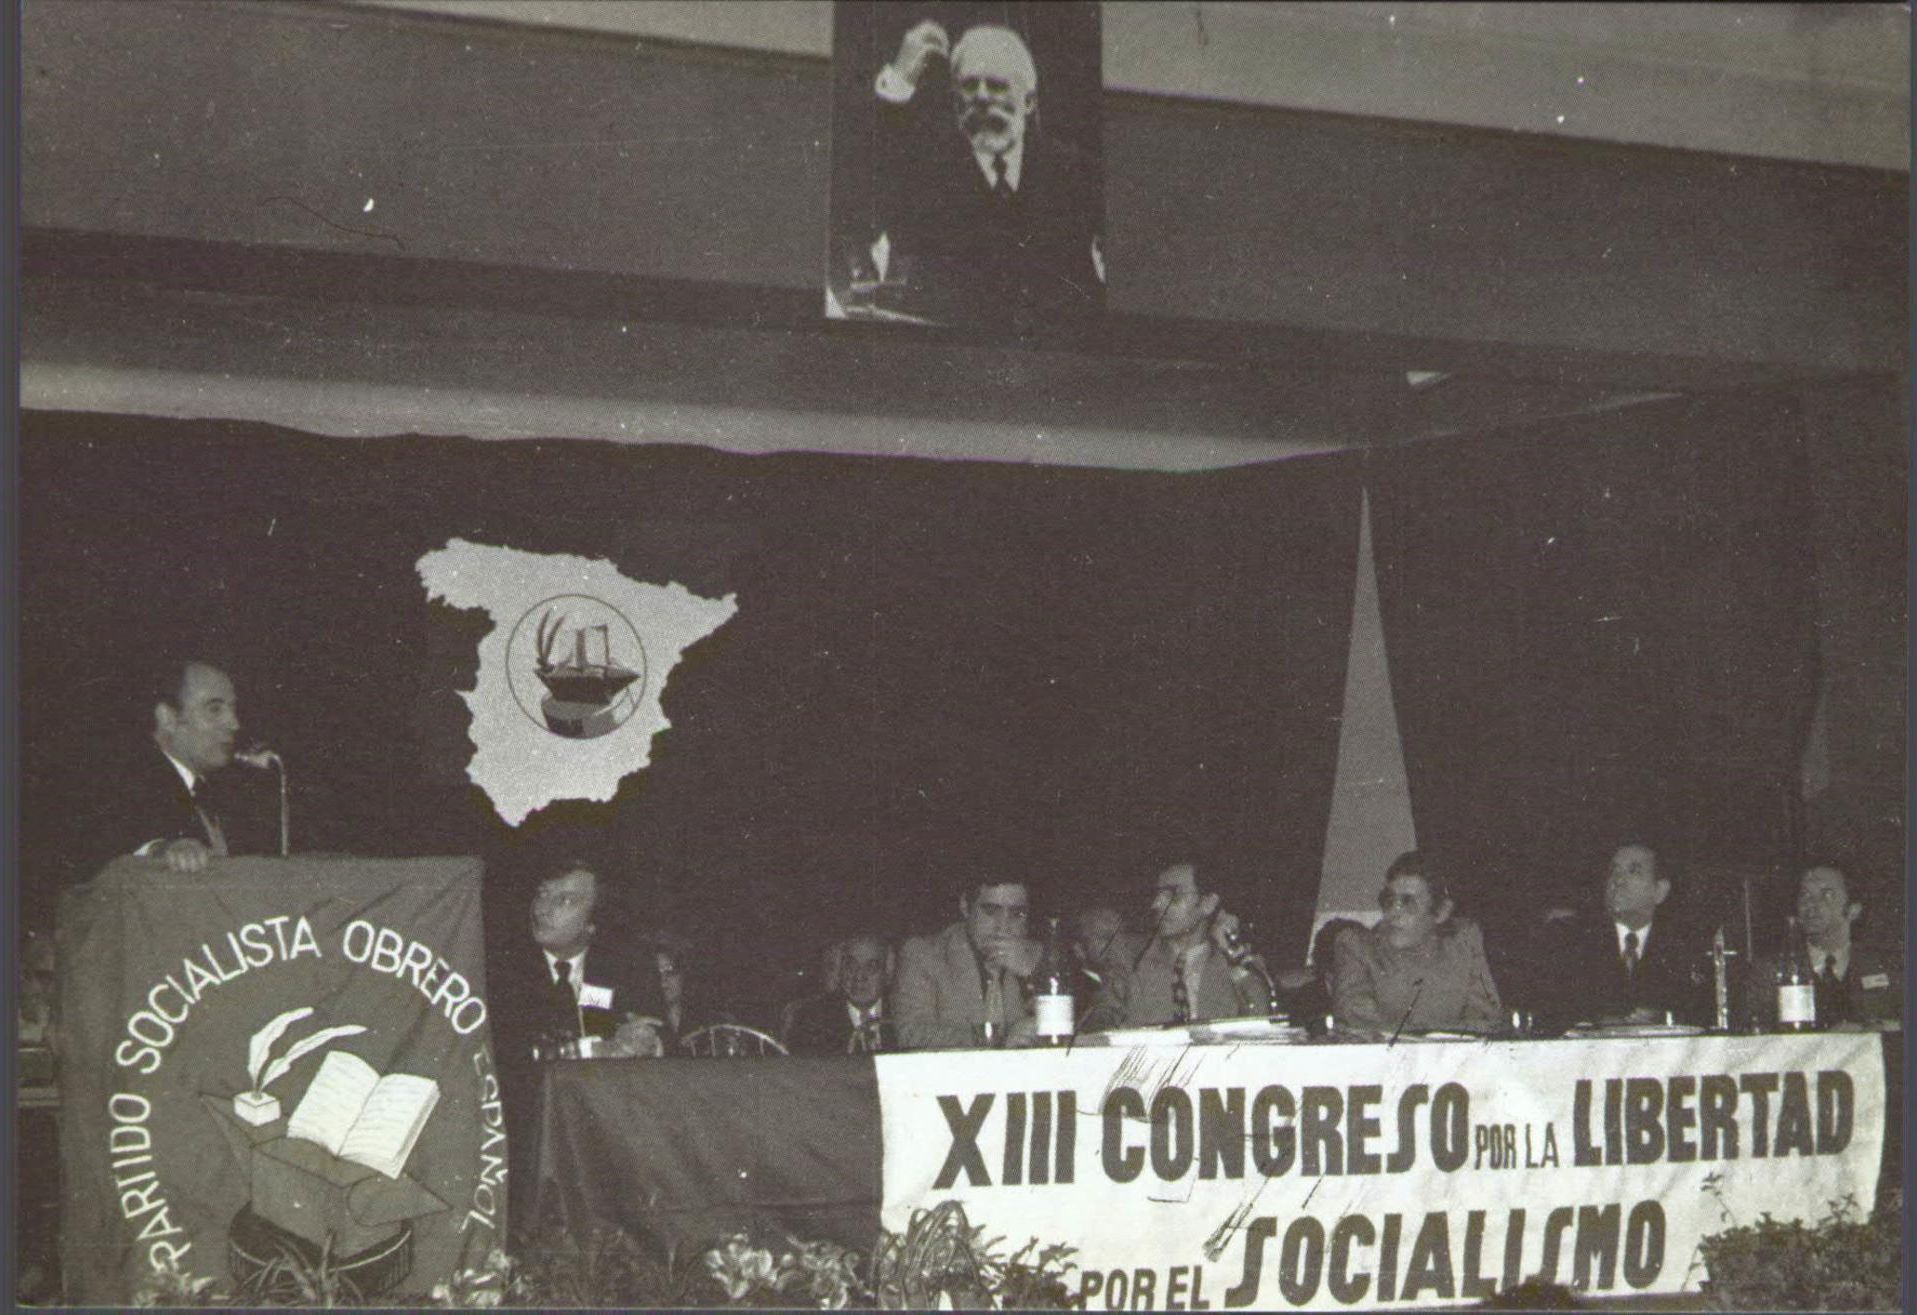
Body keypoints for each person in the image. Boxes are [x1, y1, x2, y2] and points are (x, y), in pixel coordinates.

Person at [863, 19, 1103, 325]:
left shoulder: (1073, 171)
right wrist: (899, 80)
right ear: (955, 100)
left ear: (1029, 101)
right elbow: (868, 170)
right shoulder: (930, 172)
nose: (982, 97)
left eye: (998, 85)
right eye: (969, 85)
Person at [491, 858, 668, 1239]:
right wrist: (599, 1048)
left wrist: (646, 1042)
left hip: (609, 1132)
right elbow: (523, 1052)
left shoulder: (628, 963)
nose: (543, 908)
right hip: (525, 1137)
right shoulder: (502, 965)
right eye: (542, 894)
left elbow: (659, 1037)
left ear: (593, 923)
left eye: (565, 900)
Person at [111, 658, 261, 874]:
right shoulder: (124, 784)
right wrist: (163, 850)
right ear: (168, 718)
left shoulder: (226, 792)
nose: (234, 723)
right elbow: (115, 844)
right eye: (215, 709)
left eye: (233, 708)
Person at [1539, 842, 1712, 1028]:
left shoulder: (1682, 946)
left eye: (1633, 872)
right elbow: (1551, 1009)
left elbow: (1700, 1012)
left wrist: (1666, 1020)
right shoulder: (1570, 938)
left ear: (1660, 891)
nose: (1618, 880)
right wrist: (1601, 1022)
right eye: (1614, 871)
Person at [1084, 861, 1272, 1029]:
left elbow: (1263, 1019)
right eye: (1157, 895)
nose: (1157, 904)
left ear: (1208, 903)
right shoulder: (1132, 958)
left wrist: (1233, 956)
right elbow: (1100, 1015)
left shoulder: (1233, 959)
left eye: (1173, 895)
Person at [1331, 852, 1503, 1036]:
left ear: (1441, 912)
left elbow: (1484, 1018)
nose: (1393, 913)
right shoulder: (1356, 947)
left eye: (1408, 902)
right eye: (1389, 900)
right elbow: (1359, 1022)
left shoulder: (1463, 943)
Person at [892, 875, 1041, 1049]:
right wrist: (996, 1040)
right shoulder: (924, 954)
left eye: (1017, 915)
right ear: (965, 907)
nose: (1004, 927)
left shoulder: (1041, 958)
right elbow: (911, 1033)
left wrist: (1034, 974)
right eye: (991, 912)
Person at [1751, 862, 1902, 1028]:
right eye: (1805, 895)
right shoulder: (1771, 971)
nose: (1811, 905)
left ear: (1853, 910)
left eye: (1827, 895)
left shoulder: (1889, 968)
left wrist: (1871, 1029)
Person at [785, 935, 897, 1055]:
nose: (859, 976)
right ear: (841, 970)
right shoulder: (810, 1019)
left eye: (871, 966)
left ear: (888, 972)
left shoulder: (902, 1016)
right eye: (851, 965)